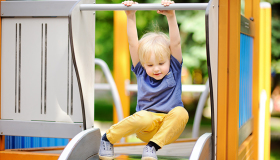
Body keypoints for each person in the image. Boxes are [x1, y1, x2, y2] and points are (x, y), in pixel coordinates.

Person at [99, 1, 189, 160]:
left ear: (169, 59)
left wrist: (171, 16)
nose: (156, 69)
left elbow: (175, 42)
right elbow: (133, 44)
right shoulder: (141, 71)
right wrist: (131, 16)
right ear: (143, 64)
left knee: (181, 112)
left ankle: (151, 148)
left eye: (161, 63)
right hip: (146, 127)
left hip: (169, 128)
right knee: (144, 116)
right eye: (150, 64)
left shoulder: (174, 68)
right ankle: (108, 138)